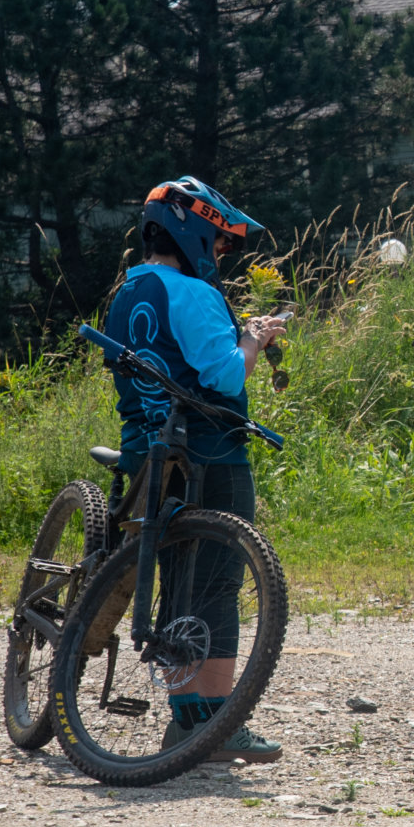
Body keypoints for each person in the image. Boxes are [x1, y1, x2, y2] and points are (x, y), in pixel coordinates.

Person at [103, 177, 288, 763]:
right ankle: (216, 725)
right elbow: (228, 376)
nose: (222, 255)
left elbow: (176, 363)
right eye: (219, 242)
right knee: (218, 582)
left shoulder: (128, 291)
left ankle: (185, 719)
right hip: (210, 452)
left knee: (179, 580)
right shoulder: (193, 293)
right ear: (195, 233)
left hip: (146, 450)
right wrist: (254, 338)